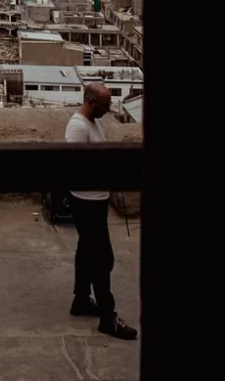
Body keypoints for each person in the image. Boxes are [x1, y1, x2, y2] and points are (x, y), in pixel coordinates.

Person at [65, 82, 137, 340]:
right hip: (86, 201)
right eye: (105, 105)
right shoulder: (78, 127)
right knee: (102, 259)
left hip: (96, 198)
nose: (108, 110)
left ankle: (81, 300)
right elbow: (74, 168)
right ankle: (108, 318)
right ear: (91, 102)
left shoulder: (94, 121)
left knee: (87, 250)